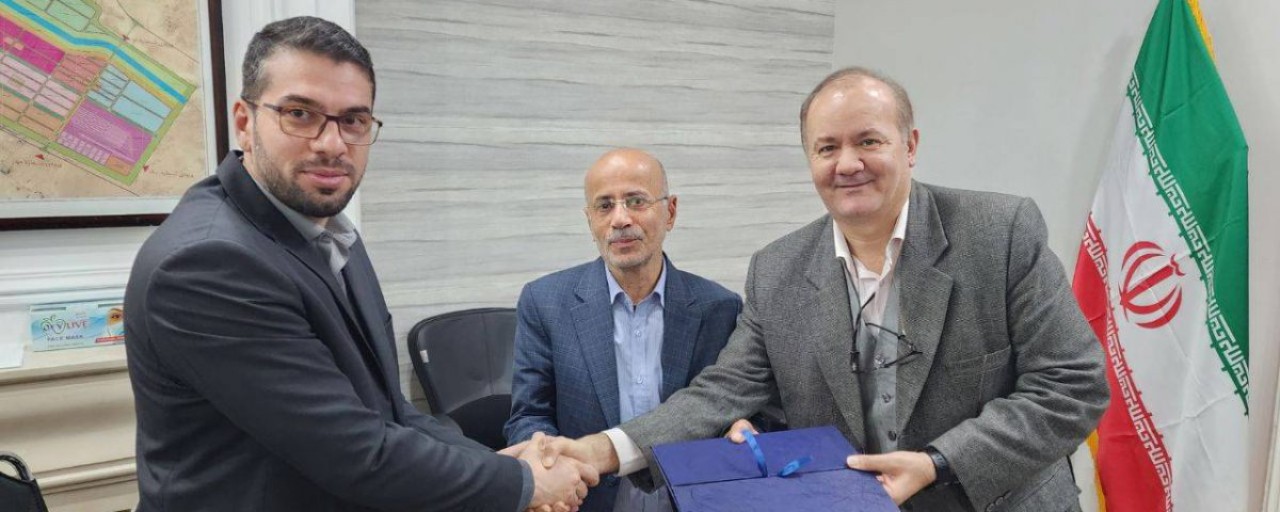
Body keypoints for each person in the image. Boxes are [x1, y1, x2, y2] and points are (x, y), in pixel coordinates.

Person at [552, 67, 1109, 512]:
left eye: (868, 140)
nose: (848, 164)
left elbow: (1073, 385)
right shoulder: (776, 270)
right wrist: (599, 451)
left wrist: (938, 462)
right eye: (826, 148)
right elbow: (721, 393)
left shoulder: (999, 233)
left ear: (910, 145)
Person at [124, 16, 593, 511]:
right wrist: (523, 484)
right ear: (245, 122)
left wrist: (506, 469)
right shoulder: (208, 263)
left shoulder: (329, 229)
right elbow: (356, 452)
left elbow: (390, 411)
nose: (332, 144)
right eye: (300, 114)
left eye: (353, 120)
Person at [504, 149, 743, 512]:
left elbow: (728, 405)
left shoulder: (719, 307)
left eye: (636, 201)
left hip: (688, 497)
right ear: (590, 220)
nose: (620, 219)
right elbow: (530, 415)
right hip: (586, 498)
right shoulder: (545, 302)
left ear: (670, 212)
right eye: (604, 206)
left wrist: (740, 427)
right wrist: (549, 467)